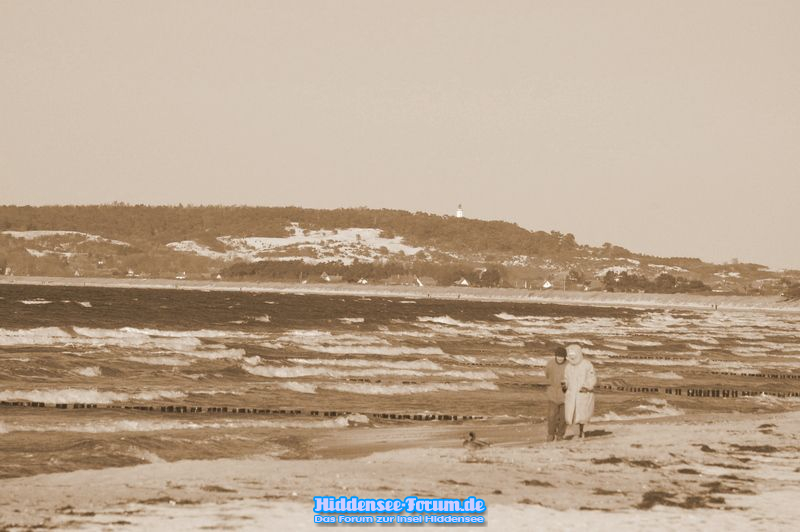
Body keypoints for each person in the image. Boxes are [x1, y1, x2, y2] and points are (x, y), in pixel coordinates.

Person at [564, 344, 596, 438]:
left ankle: (580, 432)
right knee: (573, 415)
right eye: (570, 354)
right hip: (571, 394)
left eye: (574, 353)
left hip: (583, 394)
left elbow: (592, 377)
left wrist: (587, 386)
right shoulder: (568, 367)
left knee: (581, 415)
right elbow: (565, 379)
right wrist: (564, 386)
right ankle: (578, 434)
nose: (572, 356)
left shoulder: (586, 364)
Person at [544, 346, 568, 441]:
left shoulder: (569, 365)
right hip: (553, 393)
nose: (560, 358)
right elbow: (547, 375)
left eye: (562, 356)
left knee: (563, 417)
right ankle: (550, 434)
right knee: (551, 415)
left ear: (565, 357)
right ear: (555, 356)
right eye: (558, 356)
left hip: (565, 394)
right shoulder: (550, 363)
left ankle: (560, 435)